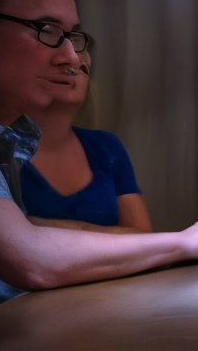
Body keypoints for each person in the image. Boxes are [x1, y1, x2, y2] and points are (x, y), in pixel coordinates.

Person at [0, 0, 198, 306]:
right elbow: (31, 259)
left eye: (72, 36)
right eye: (46, 30)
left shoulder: (13, 142)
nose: (72, 58)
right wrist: (183, 241)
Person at [18, 47, 154, 232]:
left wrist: (44, 226)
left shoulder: (106, 146)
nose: (73, 67)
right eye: (57, 64)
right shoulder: (3, 148)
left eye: (83, 68)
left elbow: (142, 235)